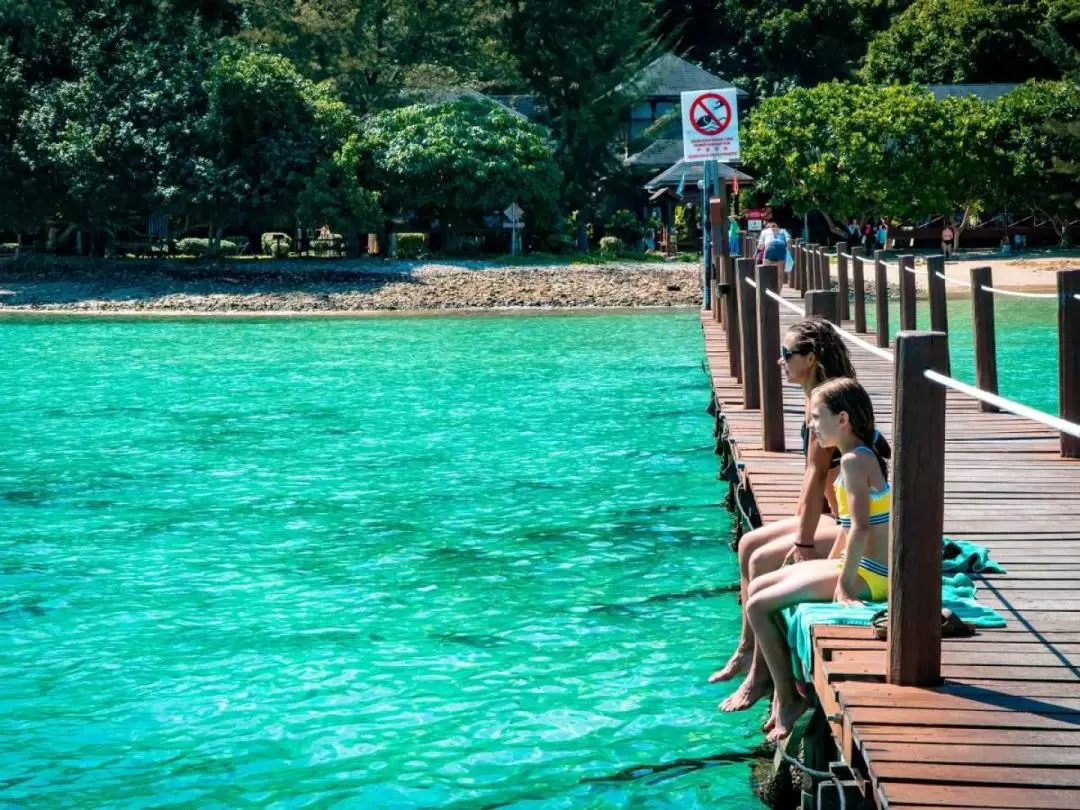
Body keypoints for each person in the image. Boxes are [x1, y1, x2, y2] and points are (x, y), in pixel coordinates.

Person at [712, 319, 863, 702]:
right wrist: (799, 526)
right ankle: (747, 649)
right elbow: (812, 482)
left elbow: (816, 479)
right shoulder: (815, 398)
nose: (780, 361)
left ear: (810, 358)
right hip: (833, 513)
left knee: (763, 561)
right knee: (748, 544)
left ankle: (763, 676)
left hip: (844, 520)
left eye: (786, 354)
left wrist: (803, 541)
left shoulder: (827, 405)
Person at [741, 377, 892, 742]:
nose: (811, 424)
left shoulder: (856, 462)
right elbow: (845, 528)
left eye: (816, 416)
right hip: (857, 566)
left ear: (842, 419)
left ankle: (788, 699)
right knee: (760, 584)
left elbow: (861, 529)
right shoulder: (853, 459)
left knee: (759, 605)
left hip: (870, 576)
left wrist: (843, 584)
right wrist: (820, 565)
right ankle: (784, 685)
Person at [758, 220, 790, 288]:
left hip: (769, 247)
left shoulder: (764, 231)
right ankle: (778, 293)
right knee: (780, 274)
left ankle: (767, 291)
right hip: (781, 248)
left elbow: (761, 246)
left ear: (768, 226)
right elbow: (788, 240)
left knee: (766, 271)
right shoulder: (783, 230)